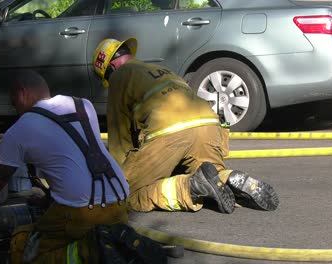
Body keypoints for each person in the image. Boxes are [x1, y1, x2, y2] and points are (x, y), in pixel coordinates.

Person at [0, 70, 133, 263]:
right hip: (120, 199)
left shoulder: (19, 130)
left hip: (82, 212)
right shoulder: (83, 105)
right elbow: (76, 162)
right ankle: (108, 243)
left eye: (13, 102)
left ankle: (94, 253)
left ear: (21, 93)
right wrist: (49, 200)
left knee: (23, 249)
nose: (15, 109)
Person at [92, 38, 279, 214]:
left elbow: (120, 135)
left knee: (126, 194)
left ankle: (190, 188)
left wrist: (120, 175)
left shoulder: (120, 76)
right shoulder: (162, 71)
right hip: (209, 126)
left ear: (111, 67)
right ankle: (228, 178)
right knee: (211, 173)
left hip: (171, 132)